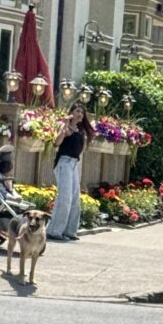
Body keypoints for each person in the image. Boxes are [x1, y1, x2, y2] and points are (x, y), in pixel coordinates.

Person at [48, 102, 94, 242]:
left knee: (75, 199)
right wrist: (64, 128)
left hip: (74, 164)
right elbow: (56, 143)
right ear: (72, 112)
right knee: (65, 197)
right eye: (77, 111)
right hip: (64, 163)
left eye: (82, 112)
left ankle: (70, 231)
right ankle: (54, 230)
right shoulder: (66, 127)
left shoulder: (81, 130)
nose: (80, 114)